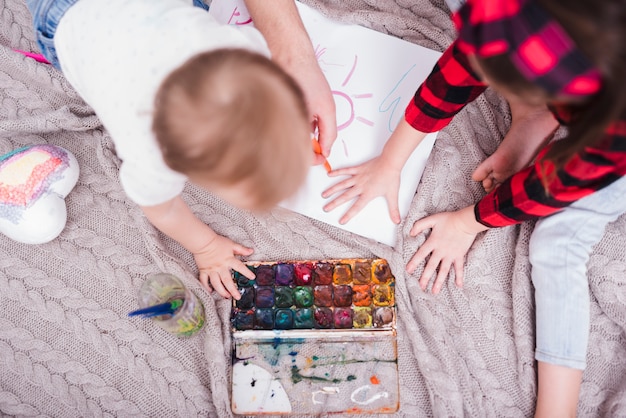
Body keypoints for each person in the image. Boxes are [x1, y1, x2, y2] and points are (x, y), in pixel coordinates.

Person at [321, 0, 626, 416]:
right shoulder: (510, 17)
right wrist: (390, 162)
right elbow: (457, 73)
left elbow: (548, 187)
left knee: (558, 243)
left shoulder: (611, 136)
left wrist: (468, 222)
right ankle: (535, 114)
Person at [25, 0, 334, 300]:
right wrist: (207, 247)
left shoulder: (242, 50)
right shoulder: (152, 154)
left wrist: (285, 138)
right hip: (63, 16)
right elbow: (163, 210)